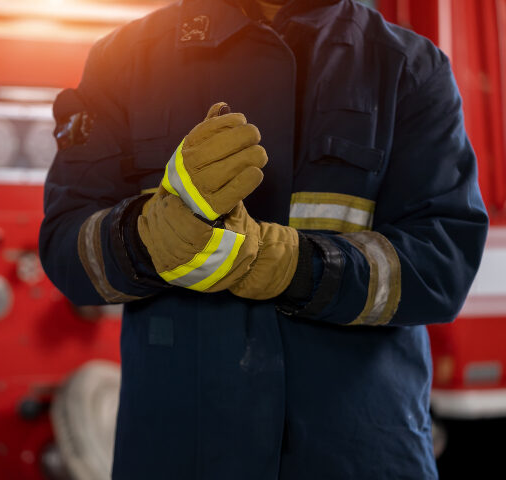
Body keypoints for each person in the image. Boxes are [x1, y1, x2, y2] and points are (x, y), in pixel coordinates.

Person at [39, 0, 488, 478]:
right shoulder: (127, 58)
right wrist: (146, 238)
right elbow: (68, 245)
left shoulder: (407, 67)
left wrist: (298, 267)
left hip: (357, 454)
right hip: (179, 456)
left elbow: (443, 265)